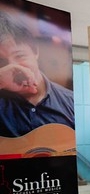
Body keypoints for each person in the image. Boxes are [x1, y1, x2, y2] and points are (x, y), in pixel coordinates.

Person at [0, 10, 74, 138]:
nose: (14, 67)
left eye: (19, 56)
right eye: (2, 62)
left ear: (35, 51)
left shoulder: (71, 102)